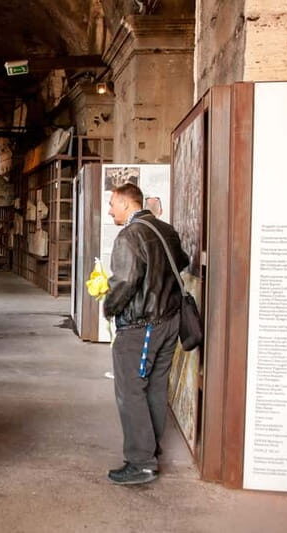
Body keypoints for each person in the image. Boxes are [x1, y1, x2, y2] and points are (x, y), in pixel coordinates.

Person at [103, 183, 189, 485]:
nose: (110, 211)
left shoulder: (130, 235)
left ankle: (141, 462)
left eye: (112, 204)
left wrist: (109, 306)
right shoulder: (165, 230)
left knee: (131, 390)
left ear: (127, 204)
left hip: (142, 325)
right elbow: (182, 262)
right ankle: (151, 448)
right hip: (169, 320)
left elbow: (125, 281)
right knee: (154, 387)